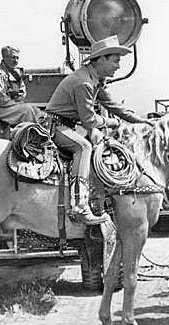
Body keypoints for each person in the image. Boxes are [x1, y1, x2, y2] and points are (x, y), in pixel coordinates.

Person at [45, 35, 153, 225]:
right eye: (116, 60)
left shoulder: (94, 79)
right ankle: (79, 206)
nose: (118, 66)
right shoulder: (84, 83)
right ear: (102, 59)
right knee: (84, 148)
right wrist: (115, 124)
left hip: (67, 125)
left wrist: (140, 121)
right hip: (56, 127)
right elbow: (89, 120)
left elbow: (114, 105)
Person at [0, 46, 41, 126]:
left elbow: (21, 91)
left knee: (36, 111)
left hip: (5, 107)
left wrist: (17, 101)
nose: (16, 61)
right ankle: (31, 136)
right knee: (26, 111)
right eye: (13, 58)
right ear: (5, 57)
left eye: (17, 58)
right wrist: (16, 104)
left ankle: (41, 133)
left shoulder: (14, 74)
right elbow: (1, 100)